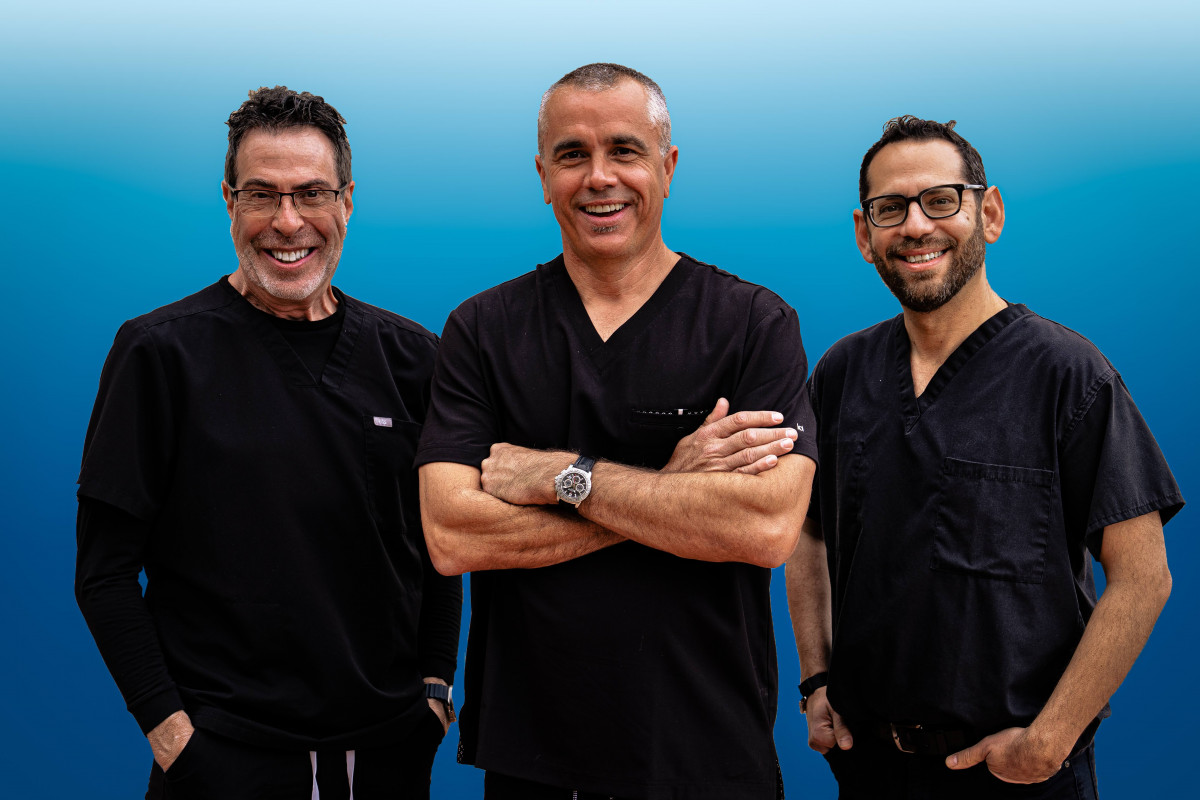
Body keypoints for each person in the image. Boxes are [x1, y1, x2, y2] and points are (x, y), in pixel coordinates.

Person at [416, 63, 818, 800]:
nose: (599, 177)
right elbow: (452, 535)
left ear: (667, 167)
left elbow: (764, 528)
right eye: (572, 154)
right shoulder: (482, 330)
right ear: (544, 176)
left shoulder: (754, 326)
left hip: (707, 752)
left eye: (625, 151)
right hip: (531, 758)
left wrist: (557, 477)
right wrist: (672, 491)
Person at [75, 86, 461, 800]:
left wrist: (434, 692)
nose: (288, 222)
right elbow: (103, 573)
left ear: (347, 202)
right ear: (229, 202)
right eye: (262, 195)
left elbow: (441, 546)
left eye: (311, 193)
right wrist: (175, 739)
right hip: (223, 761)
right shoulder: (159, 354)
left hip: (388, 757)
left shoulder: (414, 359)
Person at [785, 116, 1184, 799]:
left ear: (989, 213)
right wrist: (816, 678)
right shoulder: (842, 372)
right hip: (870, 769)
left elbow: (1143, 577)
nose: (916, 226)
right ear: (864, 234)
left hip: (1019, 776)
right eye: (890, 208)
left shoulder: (1068, 375)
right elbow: (806, 532)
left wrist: (1051, 739)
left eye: (941, 200)